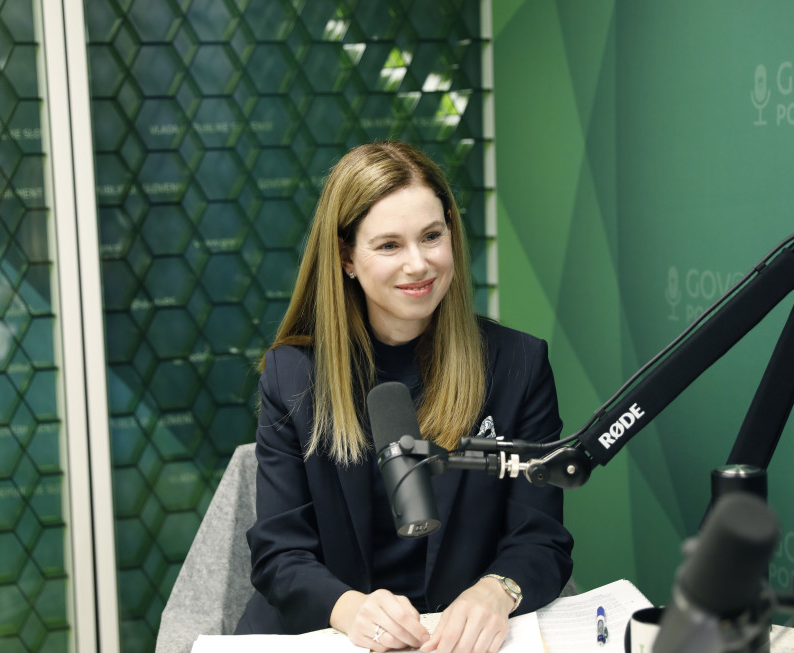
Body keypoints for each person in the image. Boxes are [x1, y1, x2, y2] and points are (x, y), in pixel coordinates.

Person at [234, 141, 573, 653]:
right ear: (347, 258)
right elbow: (279, 554)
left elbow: (540, 535)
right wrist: (351, 609)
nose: (419, 264)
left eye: (432, 237)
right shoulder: (293, 376)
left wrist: (495, 591)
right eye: (389, 245)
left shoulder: (517, 366)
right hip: (331, 636)